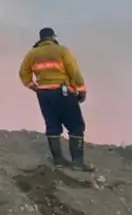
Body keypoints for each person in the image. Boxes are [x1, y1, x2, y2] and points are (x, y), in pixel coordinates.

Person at [19, 27, 91, 170]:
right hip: (62, 91)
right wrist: (82, 90)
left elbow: (23, 73)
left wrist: (33, 86)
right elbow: (74, 71)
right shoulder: (61, 50)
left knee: (52, 125)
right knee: (76, 126)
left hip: (43, 93)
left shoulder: (32, 54)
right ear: (53, 37)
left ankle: (58, 160)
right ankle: (77, 163)